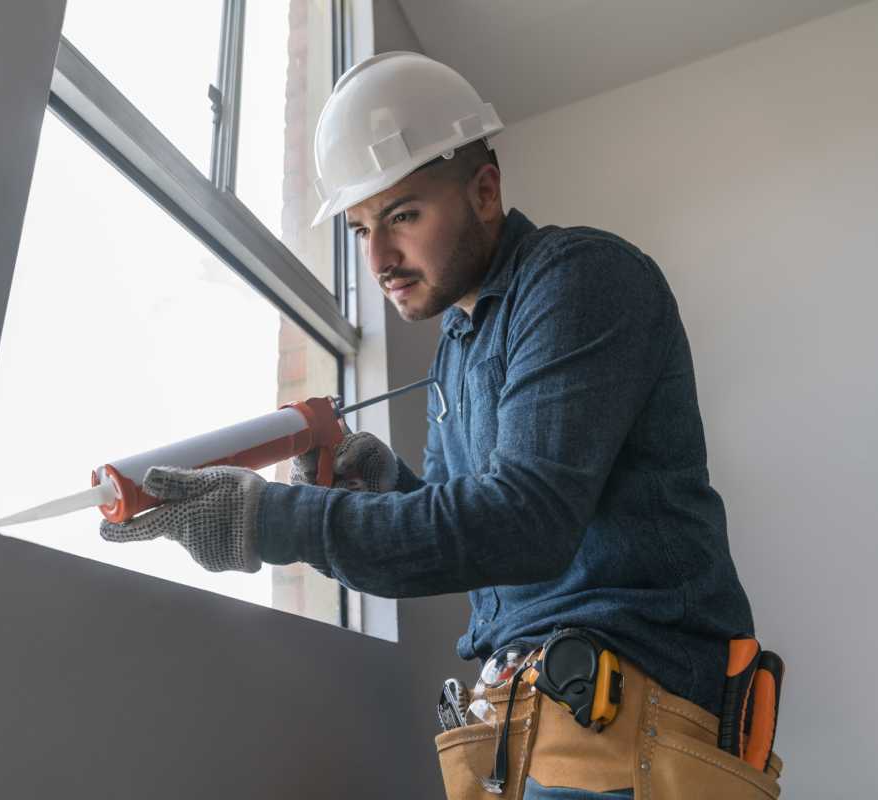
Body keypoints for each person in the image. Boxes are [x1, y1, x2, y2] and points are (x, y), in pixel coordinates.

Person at [99, 52, 781, 799]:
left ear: (484, 191)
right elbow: (480, 536)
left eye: (403, 216)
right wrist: (387, 486)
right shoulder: (460, 343)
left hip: (629, 720)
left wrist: (268, 519)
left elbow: (526, 523)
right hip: (530, 720)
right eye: (361, 229)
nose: (380, 258)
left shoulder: (580, 280)